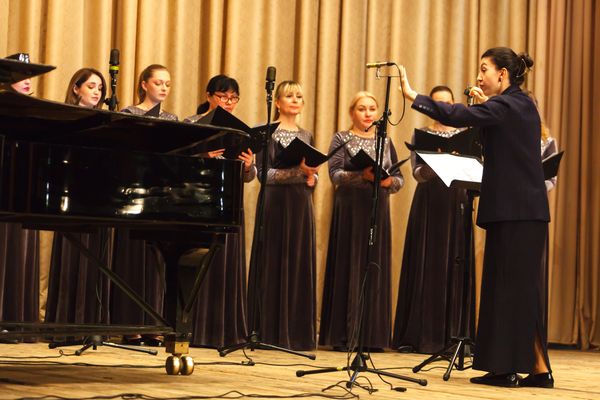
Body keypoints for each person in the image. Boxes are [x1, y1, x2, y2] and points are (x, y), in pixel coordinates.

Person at [399, 47, 553, 388]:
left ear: (502, 74)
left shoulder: (509, 105)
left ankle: (513, 368)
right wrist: (484, 107)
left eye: (485, 69)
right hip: (517, 212)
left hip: (517, 212)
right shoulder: (516, 105)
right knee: (510, 288)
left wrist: (414, 96)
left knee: (513, 290)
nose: (479, 76)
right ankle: (533, 369)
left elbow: (458, 115)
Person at [319, 91, 404, 352]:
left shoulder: (385, 141)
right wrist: (362, 176)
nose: (368, 114)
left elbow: (399, 179)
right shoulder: (341, 138)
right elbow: (335, 175)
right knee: (349, 264)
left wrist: (387, 182)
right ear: (352, 112)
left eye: (372, 109)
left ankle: (372, 337)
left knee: (373, 265)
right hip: (350, 211)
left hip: (377, 210)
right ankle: (344, 335)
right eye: (362, 109)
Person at [392, 86, 474, 354]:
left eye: (448, 103)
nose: (443, 108)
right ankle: (421, 335)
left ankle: (454, 337)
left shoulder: (466, 134)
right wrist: (436, 162)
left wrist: (458, 160)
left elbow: (475, 171)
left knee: (456, 264)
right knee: (427, 262)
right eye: (437, 103)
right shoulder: (421, 134)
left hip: (457, 201)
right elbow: (417, 173)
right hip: (429, 202)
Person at [184, 74, 255, 348]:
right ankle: (191, 329)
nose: (229, 102)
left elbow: (249, 177)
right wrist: (203, 157)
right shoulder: (192, 124)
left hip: (230, 201)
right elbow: (179, 161)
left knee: (225, 265)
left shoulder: (241, 131)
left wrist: (249, 165)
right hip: (199, 202)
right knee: (199, 261)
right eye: (223, 96)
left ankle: (222, 331)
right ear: (209, 96)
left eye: (233, 98)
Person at [247, 80, 318, 351]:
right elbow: (264, 175)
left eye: (299, 96)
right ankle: (267, 331)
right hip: (275, 204)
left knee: (298, 262)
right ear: (277, 102)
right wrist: (299, 172)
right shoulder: (267, 133)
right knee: (273, 261)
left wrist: (312, 178)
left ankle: (297, 334)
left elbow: (312, 171)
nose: (295, 100)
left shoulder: (307, 135)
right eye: (289, 96)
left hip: (301, 204)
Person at [110, 64, 177, 346]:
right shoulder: (129, 113)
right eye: (158, 82)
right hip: (133, 193)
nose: (163, 88)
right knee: (132, 259)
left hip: (158, 195)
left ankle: (152, 323)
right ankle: (129, 324)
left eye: (167, 84)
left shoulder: (172, 119)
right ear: (144, 84)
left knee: (155, 262)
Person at [45, 68, 110, 328]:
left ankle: (89, 324)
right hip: (70, 195)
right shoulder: (65, 118)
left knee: (94, 260)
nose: (97, 92)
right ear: (76, 88)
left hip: (97, 197)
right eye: (91, 86)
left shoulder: (106, 121)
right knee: (70, 256)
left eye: (100, 88)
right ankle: (63, 323)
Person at [0, 53, 39, 343]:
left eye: (29, 76)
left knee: (16, 254)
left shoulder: (36, 113)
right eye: (20, 76)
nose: (27, 81)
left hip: (22, 189)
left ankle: (14, 320)